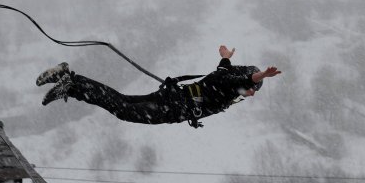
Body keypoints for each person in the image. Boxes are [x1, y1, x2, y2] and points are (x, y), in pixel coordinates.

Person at [36, 45, 282, 127]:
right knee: (122, 109)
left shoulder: (224, 74)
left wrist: (226, 56)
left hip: (174, 98)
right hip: (174, 106)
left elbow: (226, 70)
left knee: (122, 102)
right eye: (252, 92)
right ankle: (71, 84)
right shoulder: (231, 84)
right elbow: (240, 80)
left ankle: (72, 81)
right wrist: (258, 77)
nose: (250, 95)